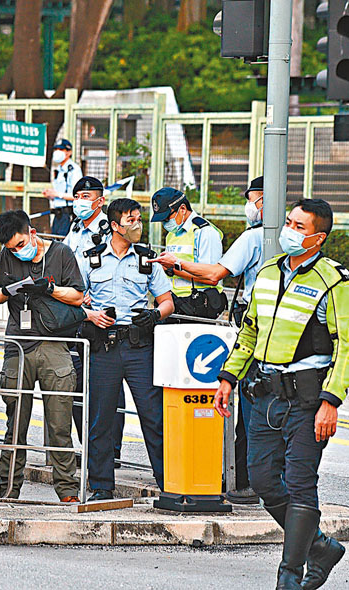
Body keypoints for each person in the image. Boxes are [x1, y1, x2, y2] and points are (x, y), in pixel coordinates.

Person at [214, 199, 348, 590]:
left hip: (309, 400)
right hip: (264, 395)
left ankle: (288, 578)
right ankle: (319, 547)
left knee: (301, 482)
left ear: (318, 237)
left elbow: (345, 348)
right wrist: (228, 377)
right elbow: (250, 332)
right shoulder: (270, 272)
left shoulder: (334, 282)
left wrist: (331, 402)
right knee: (261, 479)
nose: (288, 229)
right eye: (287, 220)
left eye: (298, 225)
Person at [152, 176, 265, 505]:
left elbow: (212, 273)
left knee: (244, 399)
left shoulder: (208, 233)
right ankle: (231, 472)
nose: (251, 207)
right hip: (177, 311)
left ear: (182, 209)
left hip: (199, 312)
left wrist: (174, 269)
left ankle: (241, 475)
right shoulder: (174, 233)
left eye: (256, 200)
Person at [81, 197, 174, 500]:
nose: (137, 224)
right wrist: (90, 313)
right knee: (101, 419)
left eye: (138, 218)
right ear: (114, 226)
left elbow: (167, 301)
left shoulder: (148, 258)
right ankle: (101, 487)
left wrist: (155, 314)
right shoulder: (90, 258)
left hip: (138, 347)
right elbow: (75, 297)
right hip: (104, 347)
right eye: (130, 220)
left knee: (154, 416)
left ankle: (170, 485)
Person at [0, 210, 84, 501]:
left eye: (20, 245)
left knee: (59, 424)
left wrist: (51, 288)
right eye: (11, 249)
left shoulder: (62, 253)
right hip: (18, 344)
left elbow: (78, 296)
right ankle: (8, 489)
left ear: (32, 232)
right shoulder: (9, 258)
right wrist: (10, 289)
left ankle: (67, 491)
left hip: (54, 344)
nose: (18, 252)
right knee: (15, 424)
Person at [61, 176, 122, 462]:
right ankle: (90, 447)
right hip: (80, 314)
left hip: (103, 314)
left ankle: (112, 449)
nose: (81, 201)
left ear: (100, 200)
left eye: (87, 196)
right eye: (77, 196)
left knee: (107, 388)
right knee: (79, 384)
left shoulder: (109, 229)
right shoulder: (74, 229)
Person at [149, 187, 226, 319]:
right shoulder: (172, 235)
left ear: (183, 209)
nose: (166, 223)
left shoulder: (204, 232)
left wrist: (172, 269)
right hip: (174, 305)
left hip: (198, 307)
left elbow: (211, 277)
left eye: (167, 218)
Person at [41, 139, 81, 237]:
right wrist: (51, 195)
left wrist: (57, 194)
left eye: (61, 149)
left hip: (68, 214)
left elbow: (78, 195)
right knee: (55, 242)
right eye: (56, 149)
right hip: (58, 214)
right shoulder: (59, 170)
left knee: (63, 244)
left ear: (69, 152)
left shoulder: (74, 169)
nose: (58, 152)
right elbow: (60, 192)